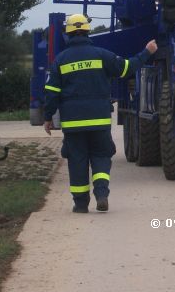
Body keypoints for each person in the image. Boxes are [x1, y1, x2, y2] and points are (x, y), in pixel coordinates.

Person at [44, 13, 157, 213]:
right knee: (101, 156)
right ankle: (102, 194)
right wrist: (147, 52)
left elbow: (52, 93)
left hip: (73, 123)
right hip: (99, 120)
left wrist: (48, 117)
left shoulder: (60, 60)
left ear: (68, 33)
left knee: (77, 161)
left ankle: (80, 205)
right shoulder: (101, 54)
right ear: (87, 31)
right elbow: (127, 68)